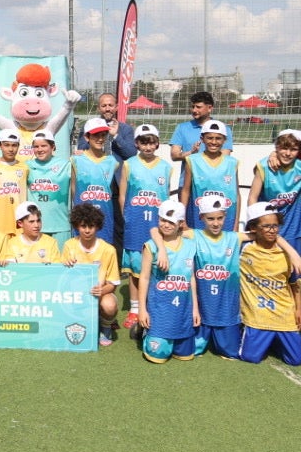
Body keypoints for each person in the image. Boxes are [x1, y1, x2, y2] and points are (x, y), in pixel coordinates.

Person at [237, 203, 301, 365]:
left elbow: (294, 285)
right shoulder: (243, 247)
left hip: (283, 313)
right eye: (266, 226)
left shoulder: (287, 254)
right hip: (257, 315)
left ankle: (290, 343)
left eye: (275, 226)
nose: (272, 230)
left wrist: (299, 309)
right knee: (250, 357)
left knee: (296, 360)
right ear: (253, 228)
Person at [134, 200, 200, 363]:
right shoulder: (151, 246)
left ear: (180, 223)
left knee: (186, 356)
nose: (166, 225)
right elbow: (144, 278)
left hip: (183, 313)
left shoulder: (191, 245)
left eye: (171, 222)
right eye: (163, 220)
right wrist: (142, 309)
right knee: (157, 357)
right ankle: (143, 330)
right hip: (160, 312)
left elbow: (191, 277)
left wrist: (195, 309)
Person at [118, 124, 177, 277]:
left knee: (156, 266)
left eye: (151, 143)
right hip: (136, 223)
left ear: (157, 143)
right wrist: (126, 218)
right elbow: (123, 195)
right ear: (137, 143)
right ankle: (135, 301)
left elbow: (166, 197)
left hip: (157, 224)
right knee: (135, 268)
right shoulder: (129, 164)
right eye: (144, 143)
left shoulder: (166, 167)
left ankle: (152, 300)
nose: (148, 147)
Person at [190, 193, 244, 358]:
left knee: (233, 353)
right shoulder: (194, 235)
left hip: (226, 310)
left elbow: (264, 234)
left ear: (225, 216)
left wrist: (292, 254)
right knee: (186, 350)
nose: (215, 223)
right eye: (210, 219)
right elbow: (158, 230)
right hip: (202, 308)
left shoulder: (235, 238)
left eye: (219, 218)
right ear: (201, 218)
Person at [62, 203, 122, 346]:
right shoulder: (69, 245)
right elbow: (61, 278)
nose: (87, 230)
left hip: (98, 294)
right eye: (83, 226)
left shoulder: (109, 250)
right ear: (77, 226)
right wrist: (65, 264)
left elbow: (112, 284)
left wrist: (102, 290)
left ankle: (106, 327)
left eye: (91, 226)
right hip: (75, 294)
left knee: (109, 304)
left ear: (98, 226)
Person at [248, 130, 301, 252]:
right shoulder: (264, 166)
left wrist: (274, 153)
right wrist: (255, 222)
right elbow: (252, 198)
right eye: (283, 148)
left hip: (292, 227)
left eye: (293, 149)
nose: (288, 153)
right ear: (276, 147)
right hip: (267, 227)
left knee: (296, 267)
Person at [181, 119, 240, 231]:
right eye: (209, 138)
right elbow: (185, 191)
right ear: (202, 139)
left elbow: (237, 195)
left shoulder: (232, 163)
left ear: (224, 140)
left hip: (226, 222)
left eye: (218, 138)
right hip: (198, 220)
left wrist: (236, 224)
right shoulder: (192, 160)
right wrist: (183, 219)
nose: (214, 142)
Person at [71, 117, 120, 246]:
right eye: (95, 135)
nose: (100, 139)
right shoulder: (76, 160)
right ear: (87, 137)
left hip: (105, 218)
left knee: (103, 254)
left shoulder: (112, 162)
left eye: (103, 135)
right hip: (82, 219)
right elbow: (73, 190)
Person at [25, 129, 72, 246]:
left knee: (61, 263)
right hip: (35, 226)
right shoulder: (26, 166)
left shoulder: (66, 165)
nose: (40, 150)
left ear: (53, 147)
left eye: (44, 146)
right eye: (36, 147)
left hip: (60, 225)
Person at [170, 91, 232, 161]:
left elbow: (225, 157)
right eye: (193, 107)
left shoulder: (224, 129)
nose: (194, 110)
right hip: (189, 172)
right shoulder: (182, 128)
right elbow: (174, 156)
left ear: (210, 108)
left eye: (198, 107)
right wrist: (191, 153)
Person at [75, 92, 136, 160]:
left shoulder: (126, 129)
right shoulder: (89, 127)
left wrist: (116, 136)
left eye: (110, 105)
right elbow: (81, 150)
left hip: (117, 169)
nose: (107, 109)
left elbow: (132, 154)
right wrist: (95, 138)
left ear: (116, 107)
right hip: (97, 167)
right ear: (98, 108)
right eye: (104, 106)